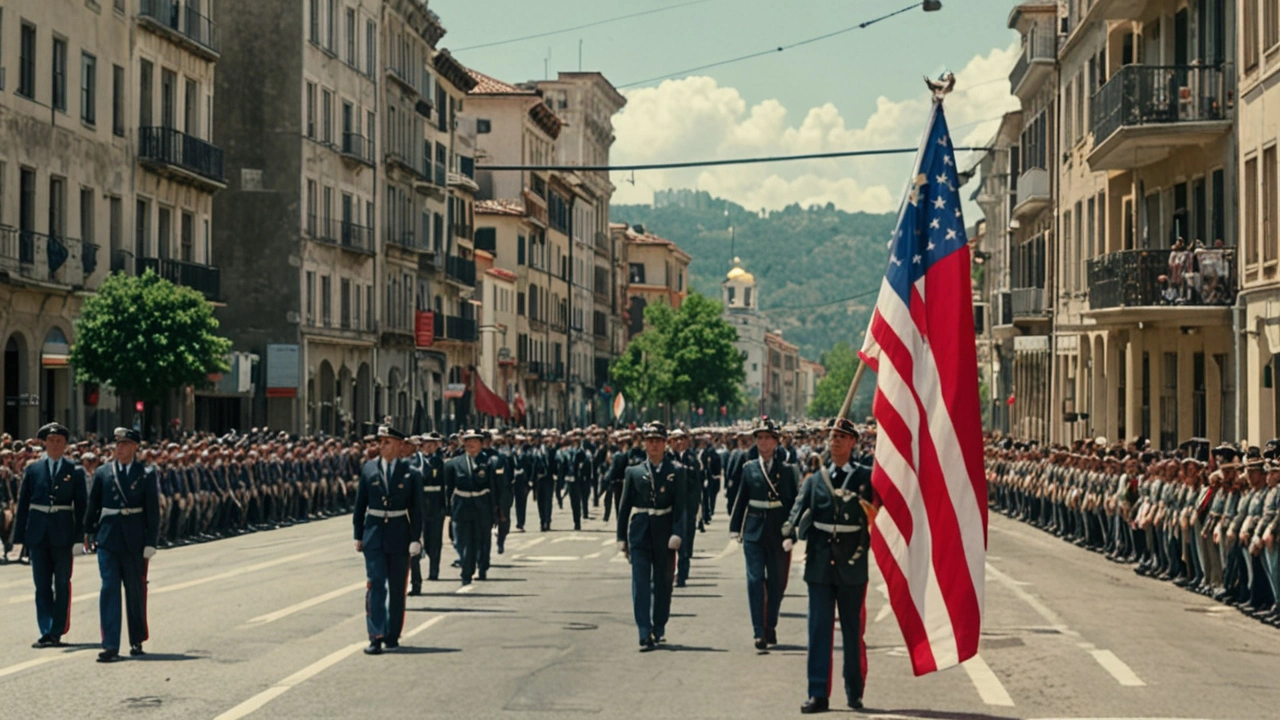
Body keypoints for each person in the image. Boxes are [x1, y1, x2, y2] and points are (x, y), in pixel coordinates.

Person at [784, 418, 872, 713]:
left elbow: (882, 509)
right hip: (820, 563)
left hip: (852, 562)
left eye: (842, 437)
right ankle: (818, 692)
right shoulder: (815, 479)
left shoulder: (866, 477)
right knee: (818, 629)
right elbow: (798, 508)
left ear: (853, 443)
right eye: (832, 437)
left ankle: (854, 690)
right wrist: (788, 531)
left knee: (851, 631)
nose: (835, 442)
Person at [84, 427, 161, 663]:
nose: (120, 448)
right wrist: (87, 531)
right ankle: (110, 644)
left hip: (134, 538)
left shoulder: (145, 473)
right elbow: (93, 504)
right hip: (108, 537)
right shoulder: (103, 472)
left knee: (134, 590)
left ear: (135, 447)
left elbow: (152, 511)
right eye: (117, 444)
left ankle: (136, 639)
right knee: (109, 589)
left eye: (125, 444)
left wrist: (151, 542)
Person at [729, 416, 800, 651]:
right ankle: (758, 631)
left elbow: (793, 504)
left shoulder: (788, 470)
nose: (763, 442)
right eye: (759, 438)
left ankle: (771, 625)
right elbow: (741, 500)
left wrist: (792, 532)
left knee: (778, 582)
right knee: (754, 580)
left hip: (779, 532)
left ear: (777, 441)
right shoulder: (749, 469)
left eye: (768, 438)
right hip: (754, 530)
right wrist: (734, 527)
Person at [352, 425, 424, 655]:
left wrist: (415, 538)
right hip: (373, 534)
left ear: (400, 446)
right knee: (375, 585)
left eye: (387, 442)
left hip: (399, 534)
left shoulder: (410, 473)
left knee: (396, 588)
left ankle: (392, 634)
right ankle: (376, 635)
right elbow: (360, 504)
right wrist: (358, 534)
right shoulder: (369, 469)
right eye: (380, 442)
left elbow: (417, 509)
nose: (381, 446)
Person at [14, 422, 87, 648]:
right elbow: (23, 504)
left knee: (62, 583)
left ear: (65, 445)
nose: (55, 445)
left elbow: (81, 507)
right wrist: (20, 538)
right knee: (42, 584)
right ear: (44, 443)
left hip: (63, 533)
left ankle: (57, 630)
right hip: (38, 533)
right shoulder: (33, 469)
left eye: (59, 441)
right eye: (51, 441)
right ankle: (45, 630)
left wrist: (79, 538)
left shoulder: (74, 471)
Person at [617, 421, 687, 651]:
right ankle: (644, 631)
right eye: (649, 441)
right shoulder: (634, 471)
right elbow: (624, 507)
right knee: (640, 583)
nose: (654, 445)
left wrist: (678, 532)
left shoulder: (676, 472)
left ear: (665, 444)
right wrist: (621, 538)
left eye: (658, 441)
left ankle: (659, 625)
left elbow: (680, 507)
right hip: (640, 531)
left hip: (664, 530)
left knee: (663, 582)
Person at [444, 429, 497, 584]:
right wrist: (448, 508)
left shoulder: (488, 462)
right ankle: (466, 572)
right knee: (463, 541)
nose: (472, 444)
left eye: (475, 441)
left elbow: (494, 487)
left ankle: (482, 567)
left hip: (482, 504)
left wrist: (496, 509)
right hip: (462, 505)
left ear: (481, 444)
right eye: (468, 441)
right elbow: (448, 488)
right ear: (464, 444)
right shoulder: (454, 463)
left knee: (483, 540)